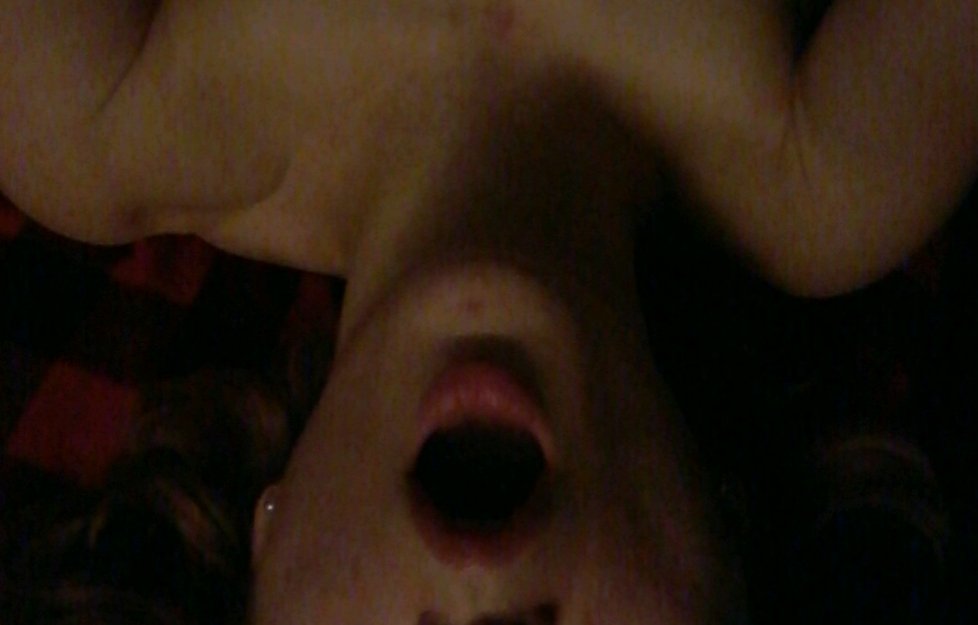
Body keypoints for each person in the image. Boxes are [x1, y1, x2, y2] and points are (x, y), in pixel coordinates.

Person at [1, 1, 975, 623]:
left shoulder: (93, 123)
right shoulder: (836, 177)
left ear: (269, 540)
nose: (482, 586)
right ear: (731, 537)